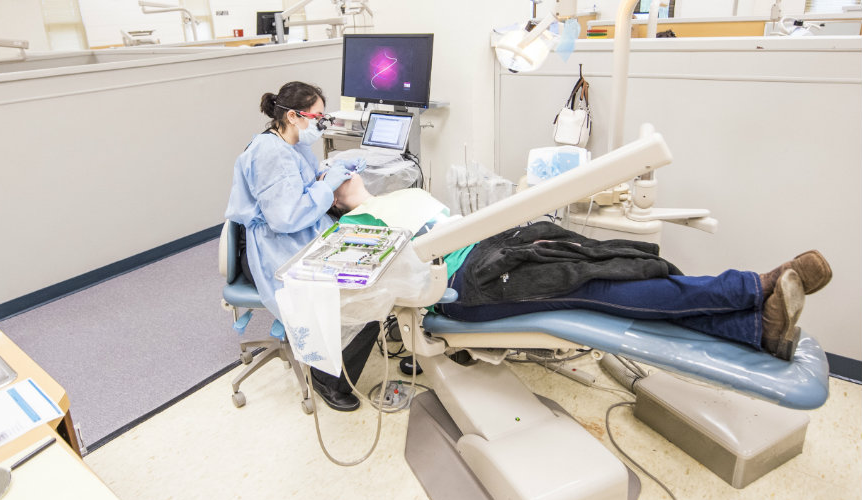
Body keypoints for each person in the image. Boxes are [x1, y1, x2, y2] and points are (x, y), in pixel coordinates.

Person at [330, 173, 833, 362]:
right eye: (332, 177)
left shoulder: (406, 191)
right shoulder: (352, 230)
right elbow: (377, 288)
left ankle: (755, 325)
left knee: (615, 259)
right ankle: (755, 287)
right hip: (468, 286)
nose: (343, 173)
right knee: (599, 286)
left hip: (499, 245)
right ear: (332, 201)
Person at [225, 81, 375, 413]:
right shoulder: (269, 153)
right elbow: (285, 216)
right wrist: (330, 186)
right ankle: (326, 379)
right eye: (318, 118)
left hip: (301, 233)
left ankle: (335, 356)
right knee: (357, 299)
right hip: (276, 248)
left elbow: (302, 182)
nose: (321, 126)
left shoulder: (289, 143)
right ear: (293, 116)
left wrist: (329, 173)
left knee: (367, 275)